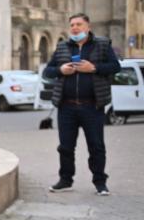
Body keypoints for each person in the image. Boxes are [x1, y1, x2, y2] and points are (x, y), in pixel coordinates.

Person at [42, 13, 120, 196]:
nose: (75, 28)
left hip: (92, 106)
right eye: (72, 25)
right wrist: (60, 70)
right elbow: (48, 71)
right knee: (65, 146)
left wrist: (93, 68)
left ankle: (100, 182)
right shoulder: (62, 47)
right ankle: (65, 180)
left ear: (88, 27)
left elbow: (115, 67)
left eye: (79, 24)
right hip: (66, 106)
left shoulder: (102, 44)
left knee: (96, 146)